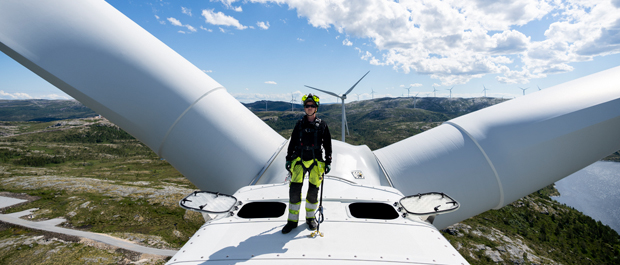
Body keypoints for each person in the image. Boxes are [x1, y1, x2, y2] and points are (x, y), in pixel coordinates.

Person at [282, 93, 332, 234]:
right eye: (307, 106)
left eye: (312, 106)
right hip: (299, 160)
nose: (309, 108)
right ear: (304, 108)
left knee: (313, 192)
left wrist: (328, 161)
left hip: (316, 161)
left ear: (316, 108)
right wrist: (288, 158)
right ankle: (292, 222)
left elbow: (327, 144)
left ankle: (310, 219)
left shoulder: (322, 125)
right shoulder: (299, 124)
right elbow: (292, 142)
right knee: (295, 192)